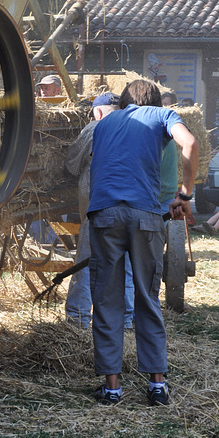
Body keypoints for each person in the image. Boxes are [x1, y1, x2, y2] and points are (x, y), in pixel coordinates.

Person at [88, 79, 198, 407]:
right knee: (147, 298)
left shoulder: (105, 122)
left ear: (124, 101)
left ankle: (112, 388)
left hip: (104, 213)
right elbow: (190, 144)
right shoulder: (163, 116)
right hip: (145, 216)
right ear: (155, 101)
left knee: (106, 299)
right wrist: (185, 194)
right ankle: (157, 386)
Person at [64, 92, 135, 330]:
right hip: (130, 208)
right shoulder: (135, 129)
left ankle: (78, 319)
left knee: (86, 263)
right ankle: (125, 320)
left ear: (99, 111)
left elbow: (72, 164)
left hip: (99, 208)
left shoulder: (94, 128)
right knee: (124, 264)